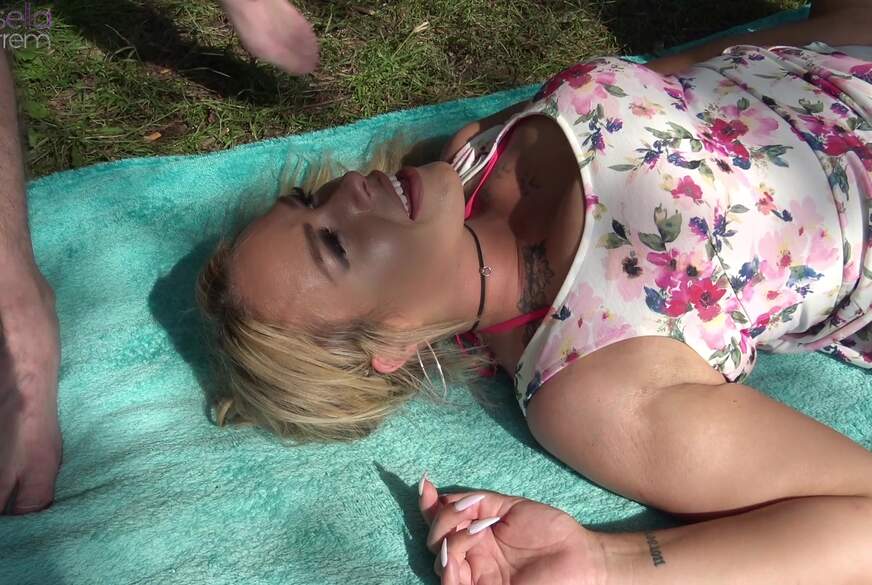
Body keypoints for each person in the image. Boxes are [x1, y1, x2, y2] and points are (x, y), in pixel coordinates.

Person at [197, 0, 872, 582]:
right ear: (392, 340)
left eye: (311, 197)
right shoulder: (593, 377)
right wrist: (606, 562)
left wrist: (828, 30)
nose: (348, 190)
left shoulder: (476, 151)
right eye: (335, 244)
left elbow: (692, 79)